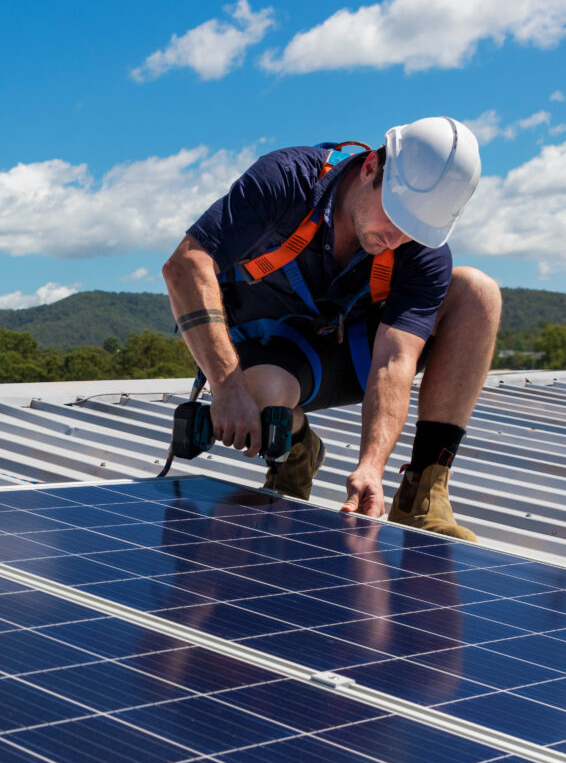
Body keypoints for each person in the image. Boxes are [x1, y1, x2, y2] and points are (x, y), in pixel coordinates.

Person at [159, 117, 500, 541]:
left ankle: (422, 493)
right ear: (371, 167)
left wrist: (371, 468)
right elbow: (186, 264)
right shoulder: (285, 180)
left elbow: (395, 360)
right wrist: (226, 387)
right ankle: (298, 447)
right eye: (394, 217)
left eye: (412, 232)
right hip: (272, 349)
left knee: (476, 292)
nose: (395, 240)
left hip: (353, 352)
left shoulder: (419, 251)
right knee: (265, 397)